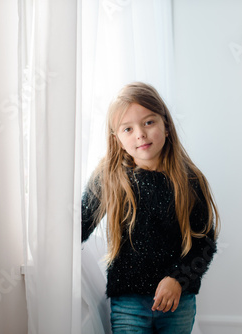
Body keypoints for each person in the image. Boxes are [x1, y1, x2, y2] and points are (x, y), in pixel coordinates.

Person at [81, 82, 220, 333]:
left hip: (178, 302)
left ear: (166, 125)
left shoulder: (188, 180)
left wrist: (177, 279)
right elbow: (79, 227)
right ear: (117, 139)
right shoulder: (109, 179)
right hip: (128, 304)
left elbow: (205, 243)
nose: (140, 134)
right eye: (128, 128)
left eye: (148, 122)